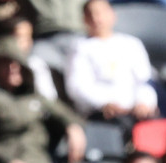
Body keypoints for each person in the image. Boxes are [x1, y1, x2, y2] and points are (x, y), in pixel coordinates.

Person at [64, 0, 157, 129]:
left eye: (101, 13)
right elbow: (77, 87)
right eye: (91, 14)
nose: (97, 18)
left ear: (112, 15)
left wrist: (145, 102)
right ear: (84, 20)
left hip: (136, 111)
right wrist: (104, 104)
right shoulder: (80, 47)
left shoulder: (131, 44)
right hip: (102, 114)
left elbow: (145, 80)